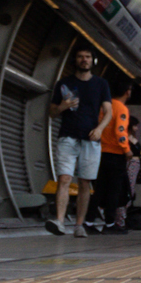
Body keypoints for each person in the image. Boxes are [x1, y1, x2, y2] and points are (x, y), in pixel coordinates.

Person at [46, 48, 111, 237]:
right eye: (81, 57)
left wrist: (99, 129)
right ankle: (59, 221)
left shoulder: (101, 84)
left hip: (91, 139)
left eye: (88, 57)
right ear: (75, 60)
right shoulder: (63, 83)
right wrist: (62, 107)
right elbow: (51, 112)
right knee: (64, 178)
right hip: (67, 136)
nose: (84, 60)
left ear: (93, 61)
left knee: (84, 182)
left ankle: (79, 224)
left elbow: (109, 112)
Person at [92, 77, 135, 234]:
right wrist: (126, 149)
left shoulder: (104, 106)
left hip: (100, 152)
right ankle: (110, 224)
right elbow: (120, 131)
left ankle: (89, 221)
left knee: (99, 189)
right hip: (115, 154)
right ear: (127, 91)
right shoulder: (121, 108)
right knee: (114, 190)